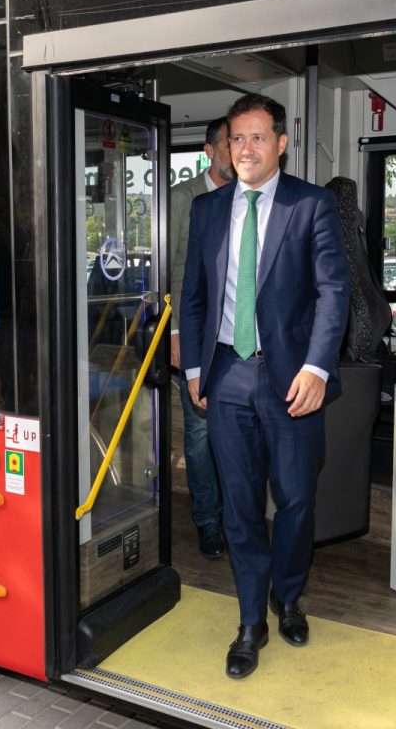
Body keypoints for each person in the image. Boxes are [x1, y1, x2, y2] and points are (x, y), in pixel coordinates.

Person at [180, 93, 349, 679]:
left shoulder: (312, 204)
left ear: (280, 142)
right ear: (225, 147)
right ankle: (252, 619)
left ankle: (289, 596)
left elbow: (334, 292)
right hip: (226, 374)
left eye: (256, 137)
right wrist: (197, 370)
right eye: (236, 138)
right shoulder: (207, 210)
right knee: (239, 507)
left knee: (298, 499)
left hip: (293, 380)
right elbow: (195, 297)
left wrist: (318, 366)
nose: (245, 148)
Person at [168, 117, 234, 560]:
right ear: (210, 151)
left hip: (239, 342)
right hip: (193, 336)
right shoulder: (181, 199)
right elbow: (171, 268)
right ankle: (208, 522)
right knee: (199, 433)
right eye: (232, 143)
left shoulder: (248, 198)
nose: (242, 152)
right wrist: (175, 332)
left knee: (237, 434)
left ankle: (236, 518)